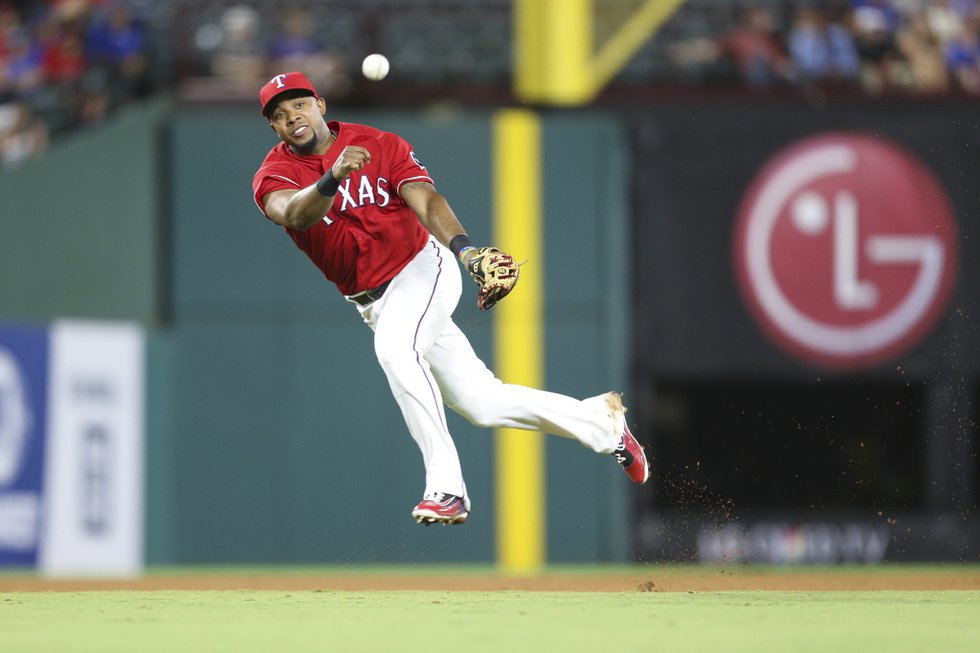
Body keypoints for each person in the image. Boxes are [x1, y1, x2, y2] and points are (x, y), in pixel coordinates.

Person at [251, 71, 650, 526]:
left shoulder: (381, 143)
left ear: (320, 105)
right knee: (482, 402)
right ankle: (602, 423)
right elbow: (294, 215)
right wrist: (330, 180)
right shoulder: (273, 173)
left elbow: (424, 198)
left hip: (422, 268)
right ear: (274, 128)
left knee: (397, 351)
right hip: (374, 302)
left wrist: (465, 250)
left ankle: (446, 489)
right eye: (280, 115)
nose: (291, 117)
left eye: (298, 104)